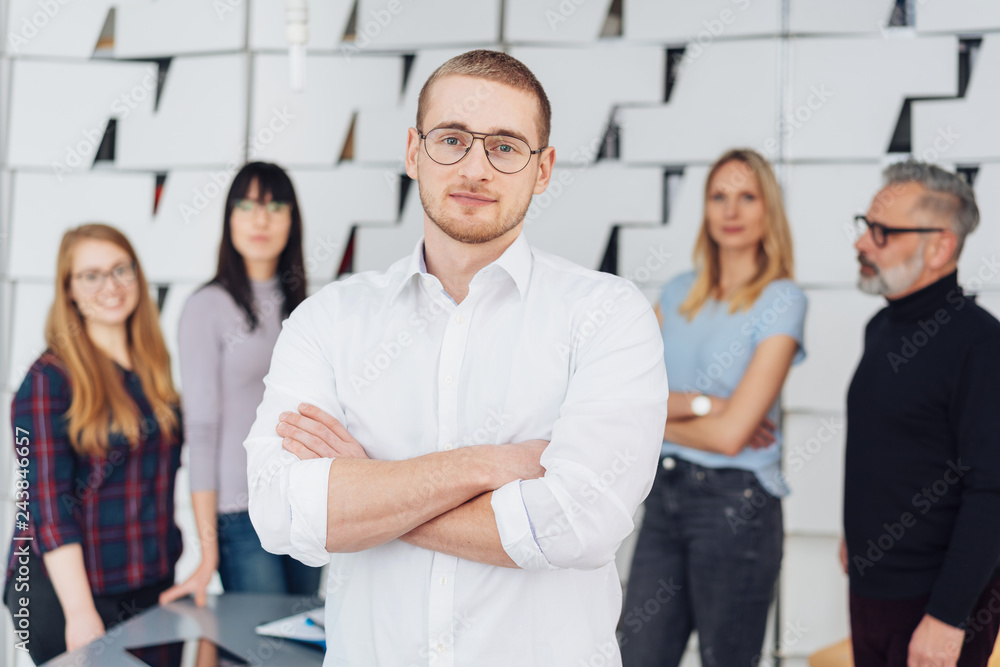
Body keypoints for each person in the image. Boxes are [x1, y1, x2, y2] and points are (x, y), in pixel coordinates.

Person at [243, 49, 669, 666]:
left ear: (543, 169)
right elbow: (281, 511)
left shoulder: (607, 314)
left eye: (505, 146)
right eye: (451, 139)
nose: (475, 167)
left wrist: (370, 487)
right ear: (412, 152)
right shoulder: (329, 320)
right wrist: (492, 465)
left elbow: (576, 523)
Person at [619, 149, 807, 666]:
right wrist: (704, 404)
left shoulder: (782, 300)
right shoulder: (678, 292)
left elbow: (730, 438)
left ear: (768, 209)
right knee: (637, 657)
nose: (731, 210)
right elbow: (620, 397)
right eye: (719, 196)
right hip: (664, 494)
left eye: (747, 197)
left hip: (735, 505)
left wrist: (654, 418)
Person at [842, 160, 1000, 667]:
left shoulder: (982, 344)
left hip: (935, 607)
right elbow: (889, 446)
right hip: (871, 594)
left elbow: (992, 491)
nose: (862, 243)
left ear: (940, 247)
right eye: (866, 225)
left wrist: (948, 617)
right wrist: (858, 534)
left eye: (883, 232)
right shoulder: (880, 328)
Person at [3, 224, 183, 665]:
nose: (111, 285)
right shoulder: (47, 381)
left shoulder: (152, 368)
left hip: (147, 579)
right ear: (68, 288)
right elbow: (48, 506)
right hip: (66, 589)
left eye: (121, 269)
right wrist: (80, 612)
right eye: (91, 275)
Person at [159, 162, 317, 607]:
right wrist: (207, 551)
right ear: (229, 219)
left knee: (303, 635)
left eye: (274, 206)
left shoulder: (308, 307)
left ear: (292, 219)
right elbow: (201, 430)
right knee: (264, 640)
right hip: (240, 510)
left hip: (305, 502)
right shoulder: (206, 307)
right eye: (246, 206)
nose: (260, 220)